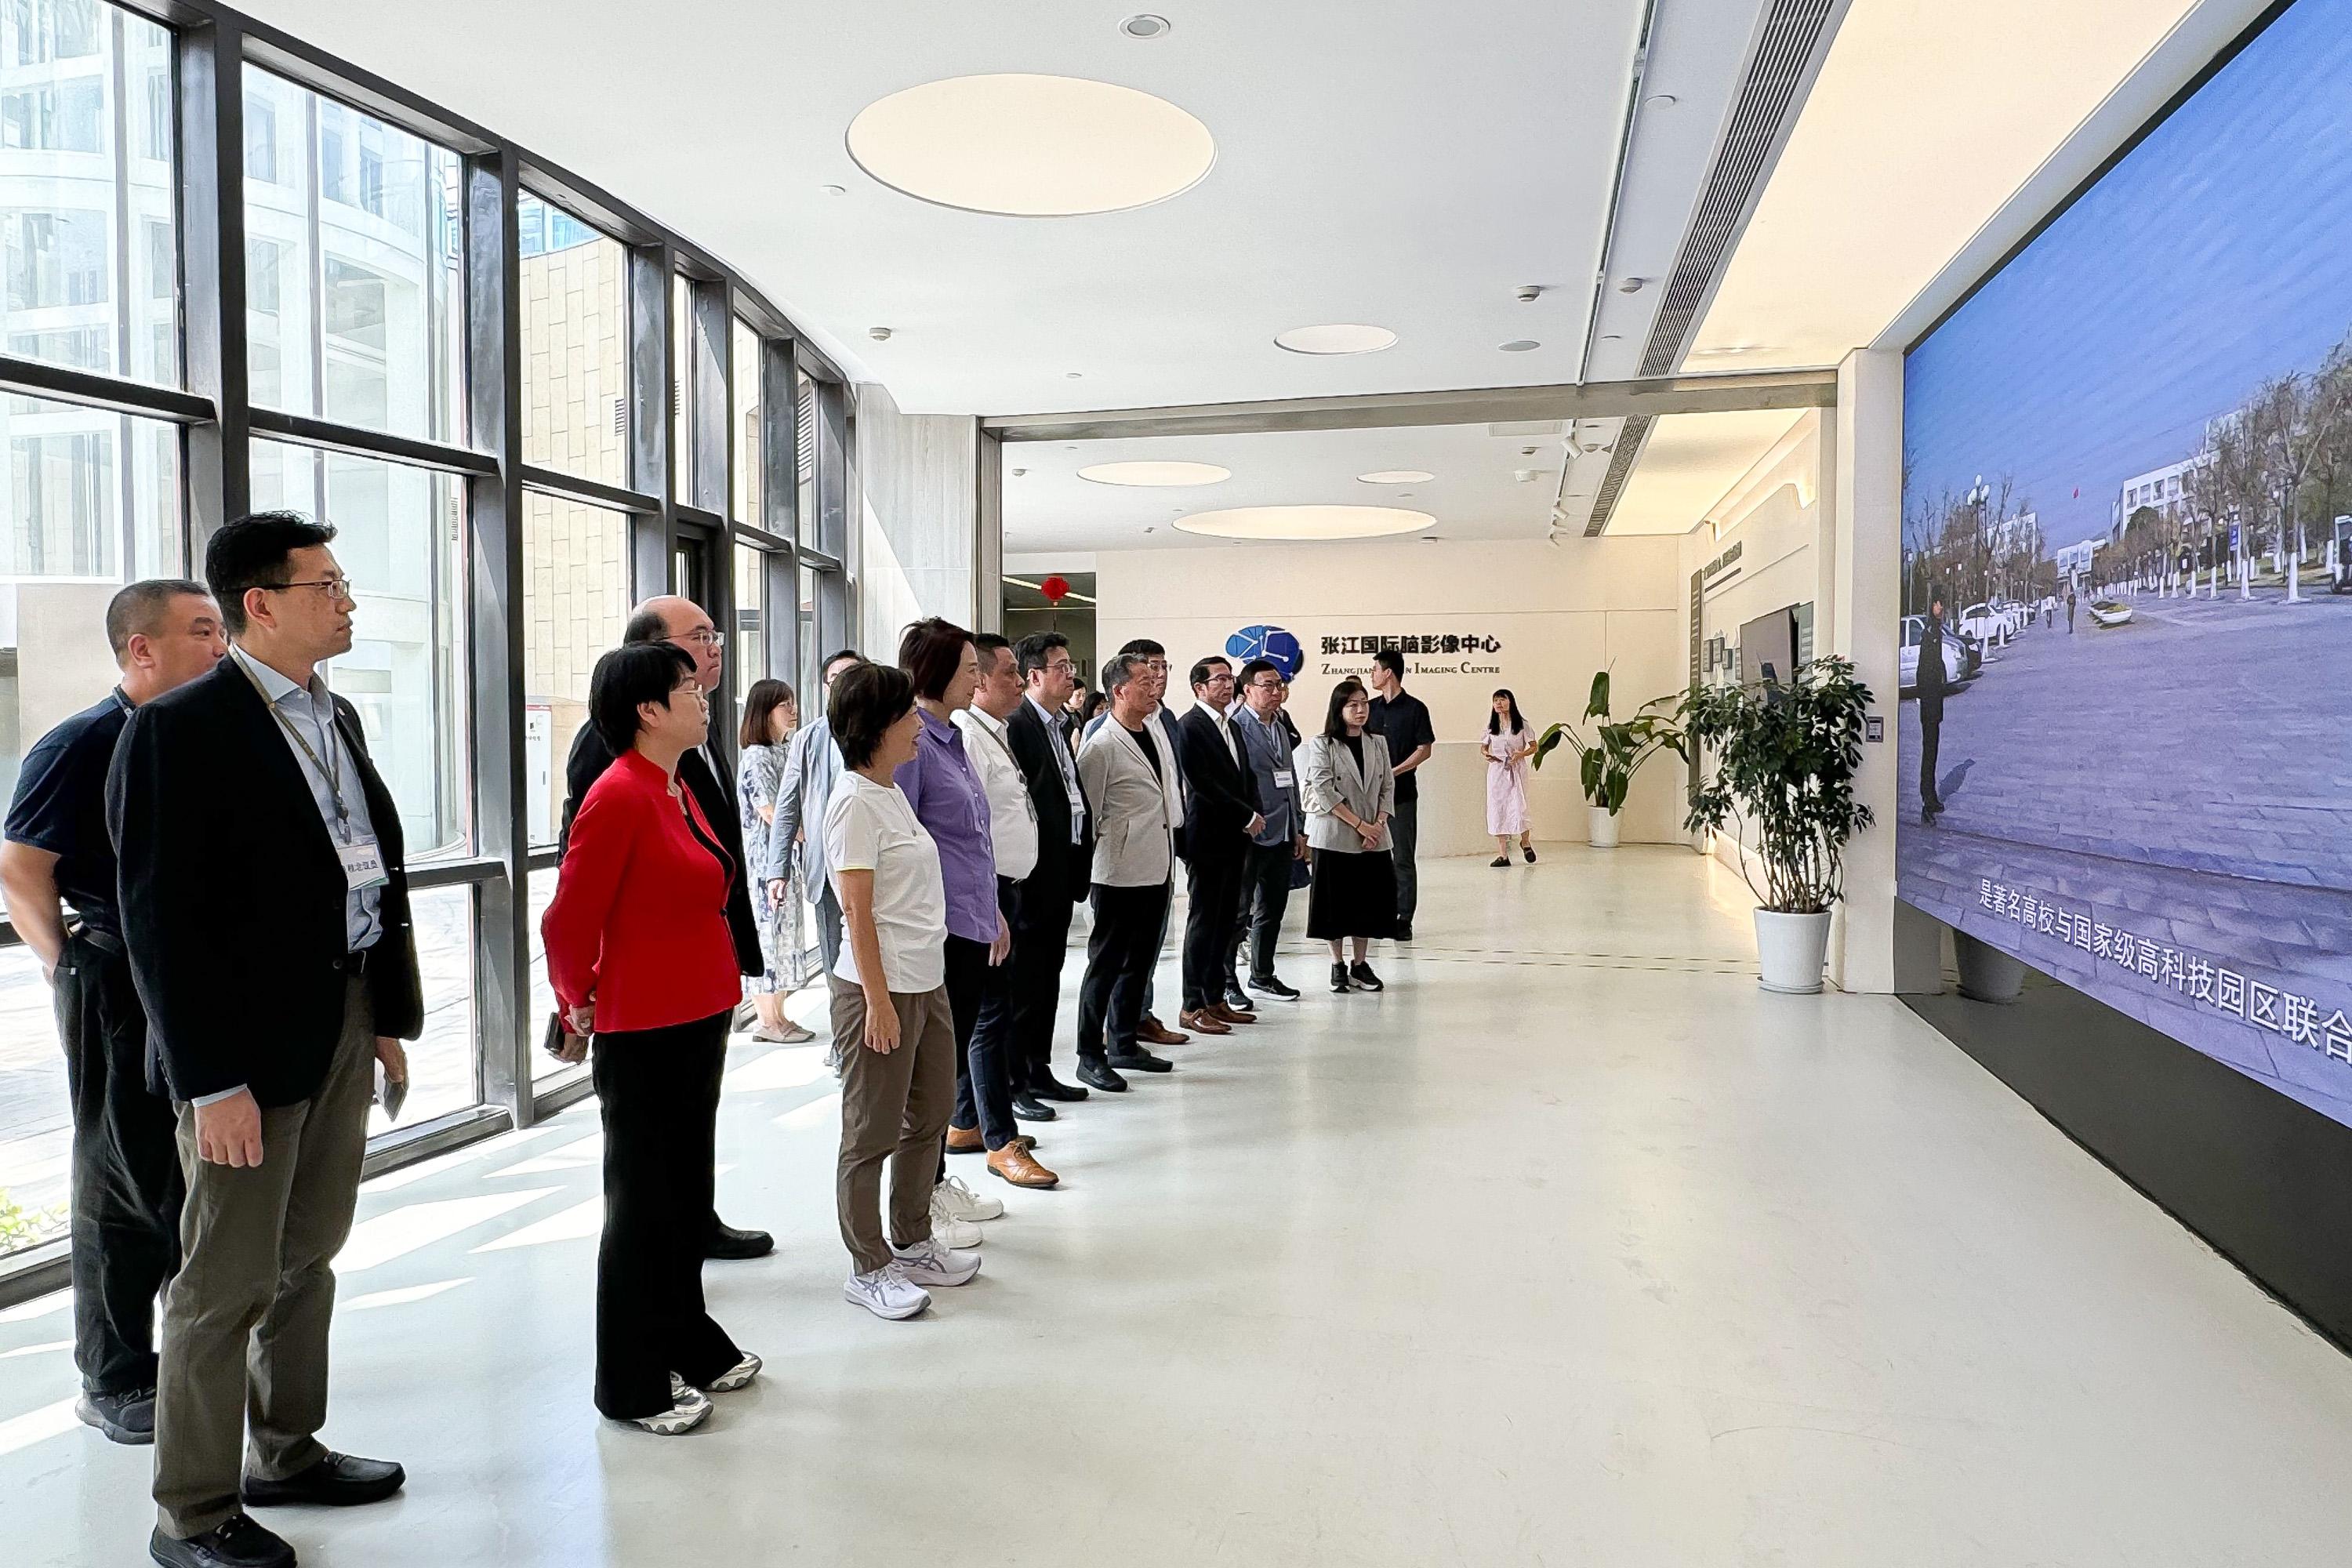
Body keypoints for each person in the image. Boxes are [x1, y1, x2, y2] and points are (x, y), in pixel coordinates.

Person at [110, 512, 423, 1568]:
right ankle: (191, 1512)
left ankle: (285, 1451)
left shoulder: (336, 719)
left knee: (310, 1253)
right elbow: (161, 924)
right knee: (223, 1276)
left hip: (335, 1016)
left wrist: (379, 1014)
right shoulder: (181, 730)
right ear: (262, 603)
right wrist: (210, 1082)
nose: (347, 601)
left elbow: (361, 869)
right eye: (327, 584)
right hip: (239, 1051)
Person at [0, 582, 223, 1447]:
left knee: (184, 1170)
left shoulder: (194, 735)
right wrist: (73, 969)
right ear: (141, 650)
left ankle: (186, 1351)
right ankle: (114, 1372)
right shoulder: (83, 740)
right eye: (201, 631)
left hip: (187, 977)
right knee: (120, 1176)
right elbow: (23, 870)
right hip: (114, 980)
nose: (218, 646)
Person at [543, 644, 758, 1437]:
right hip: (642, 1023)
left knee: (682, 1190)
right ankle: (629, 1379)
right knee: (640, 1204)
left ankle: (686, 1336)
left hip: (698, 1008)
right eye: (685, 687)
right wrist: (576, 1002)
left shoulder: (677, 785)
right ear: (647, 710)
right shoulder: (620, 793)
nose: (704, 693)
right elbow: (567, 918)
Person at [561, 596, 771, 1262]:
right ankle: (651, 1334)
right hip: (642, 995)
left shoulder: (689, 751)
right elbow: (580, 900)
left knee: (687, 1139)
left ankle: (694, 1236)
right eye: (696, 640)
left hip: (693, 981)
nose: (712, 649)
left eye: (714, 636)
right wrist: (576, 999)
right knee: (644, 1180)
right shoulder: (615, 763)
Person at [824, 661, 982, 1319]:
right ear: (878, 726)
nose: (920, 724)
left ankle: (912, 1238)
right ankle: (869, 1265)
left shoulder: (889, 791)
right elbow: (858, 913)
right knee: (871, 1132)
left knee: (930, 1117)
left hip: (928, 979)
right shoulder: (853, 802)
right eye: (908, 716)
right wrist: (881, 1002)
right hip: (878, 989)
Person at [895, 618, 1022, 1234]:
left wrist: (990, 907)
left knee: (947, 1064)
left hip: (970, 920)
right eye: (970, 667)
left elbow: (973, 836)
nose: (979, 677)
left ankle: (938, 1180)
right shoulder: (911, 743)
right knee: (931, 1075)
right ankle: (923, 1194)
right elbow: (904, 842)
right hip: (934, 930)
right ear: (938, 672)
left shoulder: (952, 738)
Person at [951, 634, 1059, 1188]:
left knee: (987, 1011)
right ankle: (1000, 1139)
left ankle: (967, 1119)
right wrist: (988, 900)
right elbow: (969, 829)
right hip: (985, 891)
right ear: (980, 681)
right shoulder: (969, 736)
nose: (1021, 681)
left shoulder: (995, 732)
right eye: (1010, 672)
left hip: (1007, 886)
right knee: (990, 1017)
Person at [1073, 653, 1185, 1089]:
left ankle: (1123, 1042)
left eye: (1156, 675)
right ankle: (1090, 1052)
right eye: (1144, 679)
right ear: (1119, 691)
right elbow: (1089, 814)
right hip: (1116, 873)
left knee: (1140, 962)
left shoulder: (1152, 733)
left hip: (1155, 867)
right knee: (1106, 965)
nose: (1155, 683)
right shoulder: (1101, 746)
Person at [1005, 633, 1094, 1105]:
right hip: (1034, 878)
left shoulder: (1059, 724)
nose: (1070, 674)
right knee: (1026, 983)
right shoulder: (1018, 725)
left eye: (1070, 666)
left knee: (1048, 980)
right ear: (1033, 675)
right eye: (1060, 667)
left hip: (1061, 872)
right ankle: (1017, 1082)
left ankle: (1039, 1070)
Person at [1172, 655, 1265, 1035]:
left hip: (1235, 839)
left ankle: (1215, 998)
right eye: (1220, 679)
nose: (1228, 685)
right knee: (1203, 921)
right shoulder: (1190, 726)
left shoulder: (1233, 724)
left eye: (1230, 679)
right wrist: (1246, 815)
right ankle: (1192, 1004)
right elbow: (1203, 783)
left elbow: (1245, 777)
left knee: (1227, 921)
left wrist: (1255, 811)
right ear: (1199, 688)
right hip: (1207, 839)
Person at [773, 648, 866, 982]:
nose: (844, 686)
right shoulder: (808, 738)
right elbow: (787, 807)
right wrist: (777, 870)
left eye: (853, 677)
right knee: (836, 964)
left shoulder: (887, 729)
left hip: (877, 862)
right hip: (827, 865)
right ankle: (844, 1031)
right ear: (826, 687)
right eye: (836, 679)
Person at [1301, 679, 1398, 996]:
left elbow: (1387, 786)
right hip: (1337, 836)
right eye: (1352, 705)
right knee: (1335, 905)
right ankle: (1337, 964)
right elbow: (1323, 789)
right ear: (1339, 709)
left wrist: (1378, 823)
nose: (1360, 710)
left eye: (1364, 703)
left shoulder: (1378, 743)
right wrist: (1360, 826)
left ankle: (1360, 963)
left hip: (1375, 836)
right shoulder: (1322, 744)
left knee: (1367, 903)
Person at [736, 678, 817, 1044]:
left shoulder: (784, 751)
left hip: (785, 862)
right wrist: (807, 835)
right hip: (764, 865)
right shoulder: (755, 756)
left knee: (787, 937)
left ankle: (779, 1016)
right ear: (764, 712)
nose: (793, 710)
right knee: (768, 937)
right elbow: (770, 810)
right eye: (784, 705)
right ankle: (767, 1020)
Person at [1229, 658, 1307, 1000]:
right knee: (1238, 913)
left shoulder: (1280, 724)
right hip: (1250, 833)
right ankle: (1227, 983)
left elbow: (1290, 781)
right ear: (1247, 691)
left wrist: (1299, 828)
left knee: (1272, 910)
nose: (1276, 692)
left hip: (1282, 830)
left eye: (1279, 685)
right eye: (1268, 686)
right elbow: (1231, 784)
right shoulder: (1234, 727)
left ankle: (1262, 974)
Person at [1365, 648, 1435, 943]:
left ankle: (1403, 919)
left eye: (1374, 670)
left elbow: (1424, 749)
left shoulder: (1416, 708)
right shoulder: (1368, 708)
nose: (1372, 675)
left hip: (1402, 794)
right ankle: (1377, 913)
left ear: (1388, 672)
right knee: (1371, 858)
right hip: (1368, 798)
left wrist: (1394, 772)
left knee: (1403, 858)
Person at [1484, 688, 1537, 866]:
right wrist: (1487, 754)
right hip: (1498, 771)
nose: (1498, 703)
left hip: (1516, 769)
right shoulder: (1492, 726)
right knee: (1498, 808)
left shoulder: (1521, 724)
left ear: (1510, 702)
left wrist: (1521, 754)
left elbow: (1534, 746)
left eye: (1502, 700)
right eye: (1495, 701)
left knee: (1520, 805)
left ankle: (1525, 842)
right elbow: (1484, 746)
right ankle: (1503, 855)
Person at [1918, 590, 1950, 825]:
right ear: (1934, 606)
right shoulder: (1930, 631)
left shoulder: (1935, 628)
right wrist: (1925, 697)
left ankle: (1931, 797)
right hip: (1930, 703)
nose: (1942, 608)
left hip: (1933, 701)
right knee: (1929, 753)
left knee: (1933, 751)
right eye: (1940, 604)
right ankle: (1928, 799)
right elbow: (1925, 667)